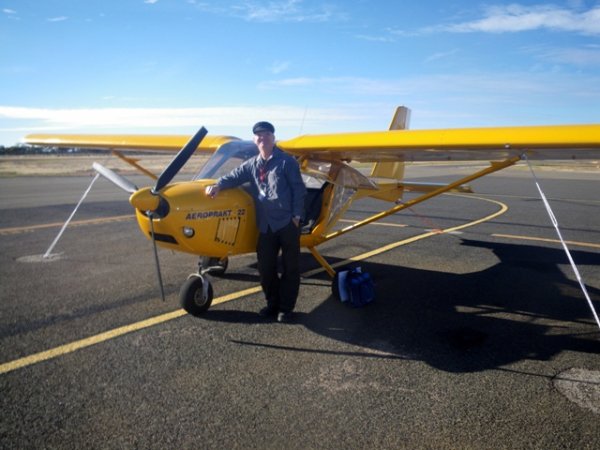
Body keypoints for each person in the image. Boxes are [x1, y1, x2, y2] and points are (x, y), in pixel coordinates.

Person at [205, 121, 307, 323]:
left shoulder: (287, 162)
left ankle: (286, 309)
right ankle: (272, 304)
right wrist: (217, 185)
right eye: (258, 135)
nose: (262, 138)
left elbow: (299, 191)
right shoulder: (252, 164)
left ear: (273, 138)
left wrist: (296, 217)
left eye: (266, 134)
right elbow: (234, 176)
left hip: (287, 223)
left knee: (290, 268)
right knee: (265, 268)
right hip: (266, 225)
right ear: (255, 140)